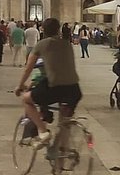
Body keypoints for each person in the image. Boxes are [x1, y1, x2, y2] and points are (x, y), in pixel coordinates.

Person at [16, 18, 82, 146]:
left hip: (56, 87)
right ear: (58, 29)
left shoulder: (42, 44)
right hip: (74, 89)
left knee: (26, 99)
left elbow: (28, 69)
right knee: (65, 121)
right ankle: (63, 153)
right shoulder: (67, 43)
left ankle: (42, 131)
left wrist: (19, 86)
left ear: (43, 30)